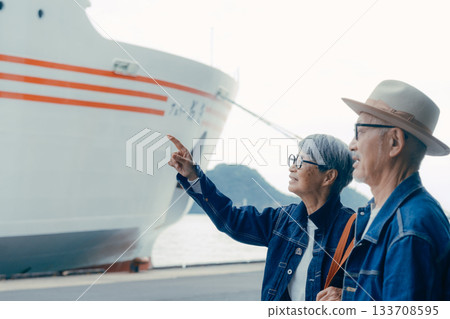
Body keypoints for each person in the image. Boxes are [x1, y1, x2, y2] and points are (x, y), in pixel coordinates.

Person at [168, 133, 355, 301]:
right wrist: (193, 176)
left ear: (328, 176)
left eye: (300, 162)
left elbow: (378, 289)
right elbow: (230, 219)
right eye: (293, 160)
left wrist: (348, 295)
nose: (292, 168)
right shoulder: (281, 220)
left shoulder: (356, 230)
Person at [338, 79, 450, 300]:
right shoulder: (381, 213)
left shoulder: (410, 229)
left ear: (394, 142)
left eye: (359, 132)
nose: (351, 144)